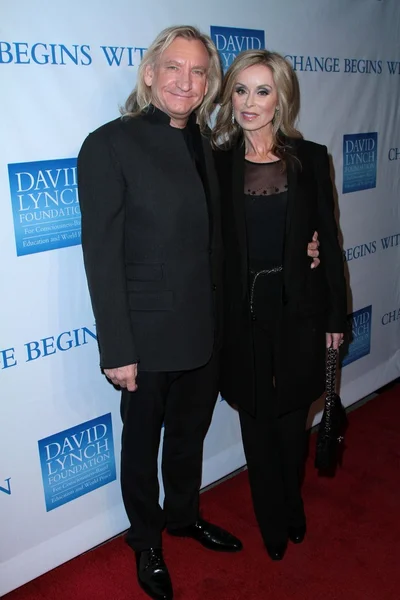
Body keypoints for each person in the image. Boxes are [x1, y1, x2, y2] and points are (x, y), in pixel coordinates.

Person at [78, 27, 320, 599]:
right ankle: (146, 539)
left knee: (189, 436)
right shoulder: (109, 144)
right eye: (174, 69)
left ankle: (184, 515)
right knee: (141, 446)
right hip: (147, 335)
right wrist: (118, 349)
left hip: (210, 331)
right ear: (149, 74)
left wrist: (303, 248)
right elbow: (101, 255)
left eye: (199, 72)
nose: (187, 82)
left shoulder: (211, 148)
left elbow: (246, 226)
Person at [212, 50, 347, 562]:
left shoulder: (310, 158)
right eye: (241, 90)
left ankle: (292, 500)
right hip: (241, 314)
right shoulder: (217, 162)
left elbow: (328, 243)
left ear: (281, 97)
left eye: (262, 91)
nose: (250, 102)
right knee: (256, 422)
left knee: (292, 423)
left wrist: (336, 314)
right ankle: (272, 517)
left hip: (300, 308)